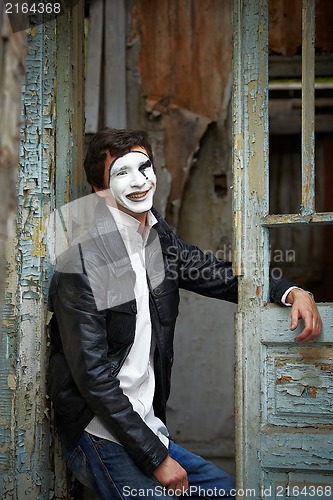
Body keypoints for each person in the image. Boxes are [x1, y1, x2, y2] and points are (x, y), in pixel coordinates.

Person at [48, 128, 321, 499]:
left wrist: (290, 291)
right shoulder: (83, 262)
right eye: (122, 172)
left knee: (229, 492)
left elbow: (220, 275)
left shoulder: (157, 240)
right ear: (100, 189)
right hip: (101, 433)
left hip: (147, 428)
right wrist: (155, 458)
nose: (138, 180)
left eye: (144, 167)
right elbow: (94, 378)